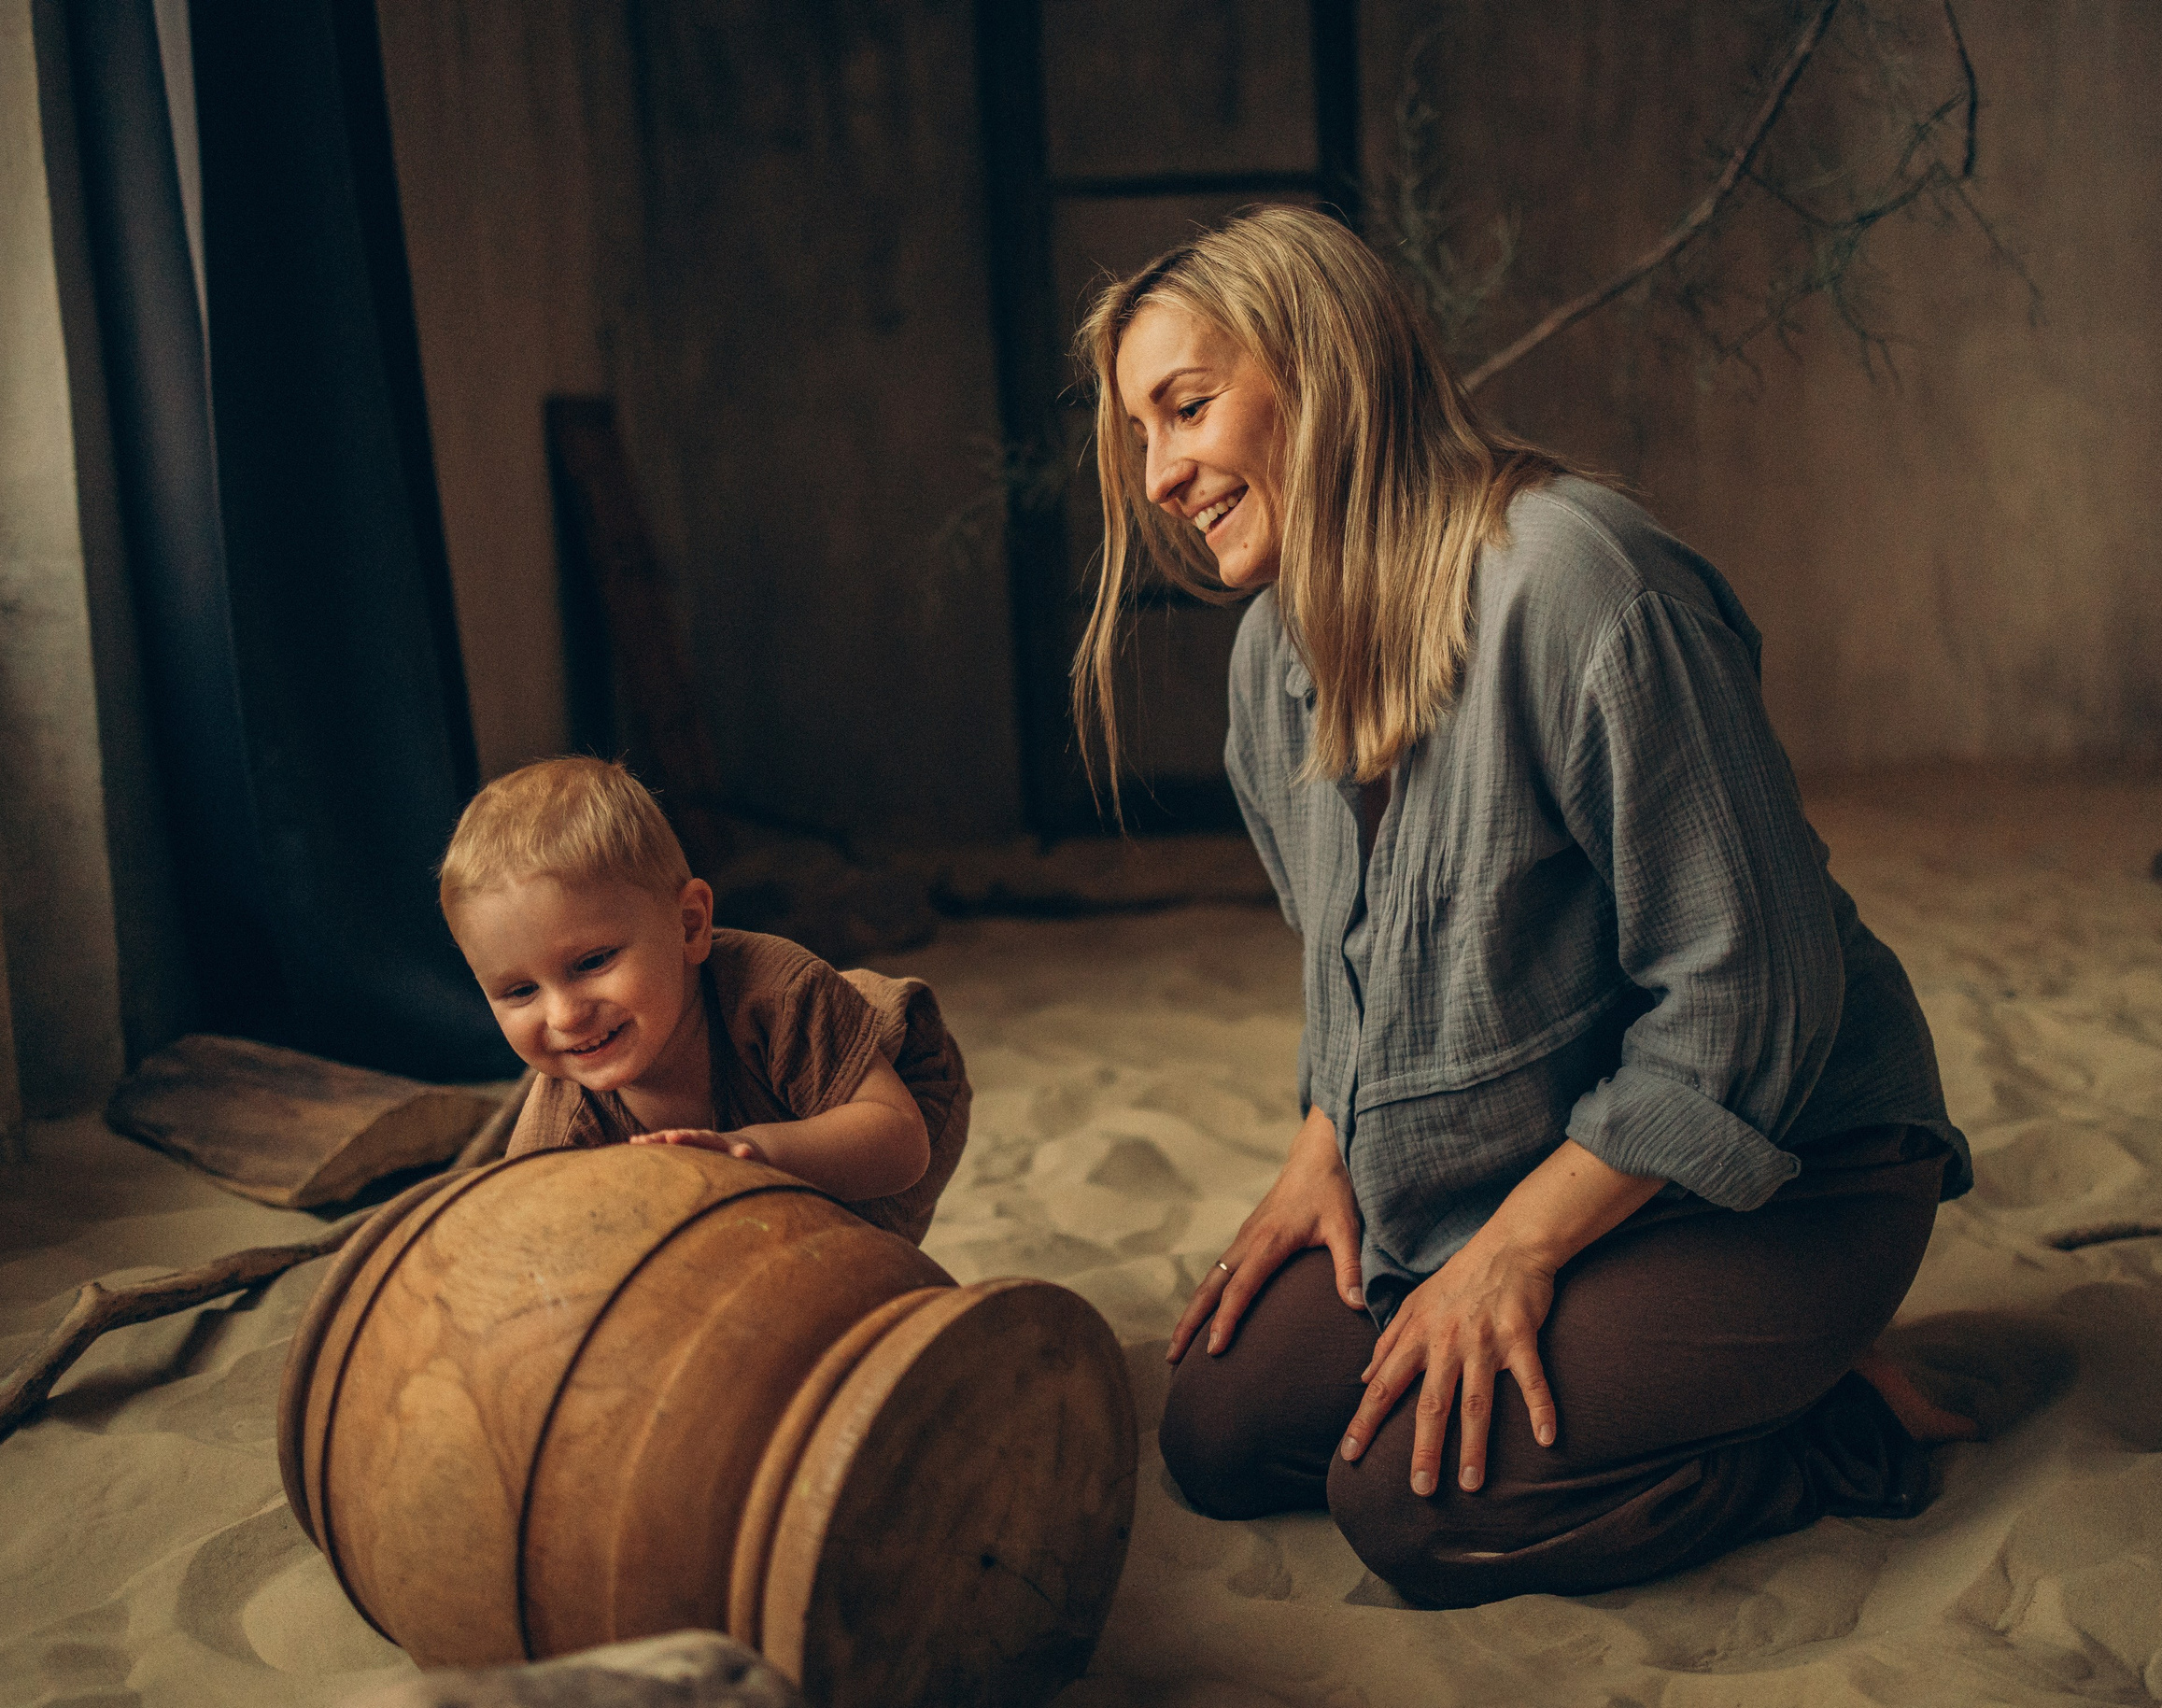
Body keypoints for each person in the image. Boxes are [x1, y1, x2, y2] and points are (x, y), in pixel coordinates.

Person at [1075, 205, 1977, 1607]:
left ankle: (1831, 1425)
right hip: (1533, 1147)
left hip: (1789, 1166)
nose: (1160, 474)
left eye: (1186, 409)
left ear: (1324, 370)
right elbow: (1355, 964)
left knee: (1418, 1514)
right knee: (1222, 1428)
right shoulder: (1270, 659)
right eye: (1141, 434)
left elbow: (1753, 997)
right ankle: (1656, 1369)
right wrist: (1328, 1136)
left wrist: (1513, 1251)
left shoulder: (1581, 584)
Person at [438, 755, 968, 1244]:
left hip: (898, 1092)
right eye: (520, 991)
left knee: (840, 1256)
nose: (565, 1015)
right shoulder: (559, 1120)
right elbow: (529, 1239)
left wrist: (759, 1155)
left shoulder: (777, 994)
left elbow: (901, 1144)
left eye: (593, 962)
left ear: (689, 925)